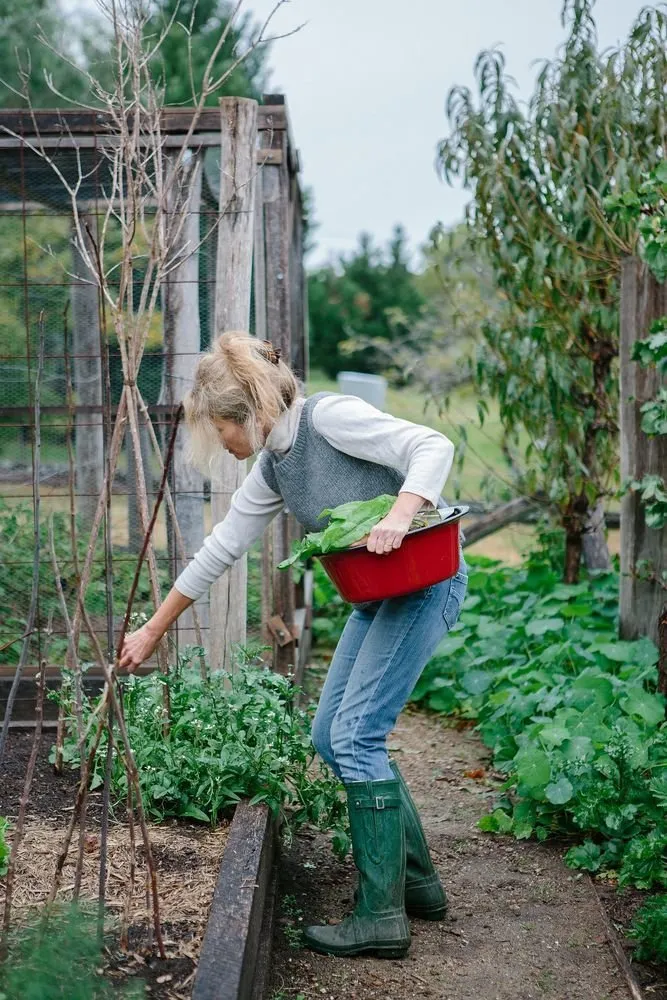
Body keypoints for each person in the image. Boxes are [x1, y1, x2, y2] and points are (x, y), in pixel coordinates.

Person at [119, 331, 468, 960]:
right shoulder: (275, 466)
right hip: (380, 595)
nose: (223, 446)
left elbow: (432, 444)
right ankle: (417, 884)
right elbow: (220, 548)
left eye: (220, 430)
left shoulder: (330, 418)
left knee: (357, 735)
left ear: (245, 413)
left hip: (426, 582)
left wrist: (398, 513)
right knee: (330, 736)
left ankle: (381, 917)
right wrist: (152, 628)